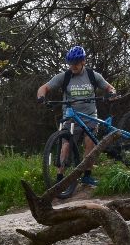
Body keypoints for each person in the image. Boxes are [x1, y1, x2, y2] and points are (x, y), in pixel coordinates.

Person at [36, 45, 117, 187]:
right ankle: (60, 177)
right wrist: (41, 98)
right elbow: (44, 88)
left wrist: (111, 93)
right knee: (65, 145)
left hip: (90, 117)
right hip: (71, 118)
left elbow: (110, 87)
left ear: (83, 62)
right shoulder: (64, 76)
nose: (72, 66)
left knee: (89, 145)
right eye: (70, 64)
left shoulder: (93, 75)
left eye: (76, 64)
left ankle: (87, 176)